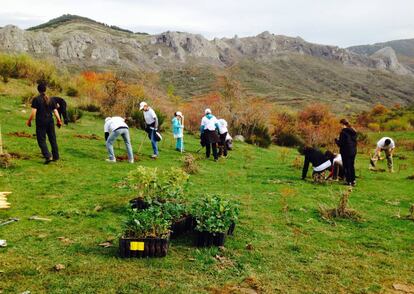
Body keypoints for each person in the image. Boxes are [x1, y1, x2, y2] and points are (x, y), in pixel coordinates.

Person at [26, 83, 62, 164]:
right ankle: (56, 156)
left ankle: (48, 156)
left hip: (41, 122)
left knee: (41, 140)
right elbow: (55, 111)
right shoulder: (51, 99)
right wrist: (59, 120)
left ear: (38, 90)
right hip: (50, 121)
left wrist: (29, 121)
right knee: (52, 139)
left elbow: (33, 112)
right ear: (45, 89)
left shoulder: (36, 99)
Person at [335, 119, 357, 186]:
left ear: (342, 124)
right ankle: (353, 180)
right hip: (353, 151)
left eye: (340, 124)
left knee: (346, 166)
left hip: (346, 151)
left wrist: (336, 140)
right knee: (351, 166)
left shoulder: (343, 132)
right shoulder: (353, 131)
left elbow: (341, 144)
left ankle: (348, 181)